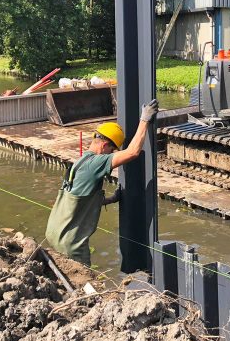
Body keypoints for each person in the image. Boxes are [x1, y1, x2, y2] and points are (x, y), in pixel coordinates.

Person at [45, 99, 159, 266]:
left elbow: (79, 200)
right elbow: (133, 152)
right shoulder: (95, 163)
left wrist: (112, 199)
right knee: (83, 284)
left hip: (54, 233)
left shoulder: (81, 162)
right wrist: (145, 120)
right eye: (112, 151)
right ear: (105, 145)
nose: (111, 154)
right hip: (71, 243)